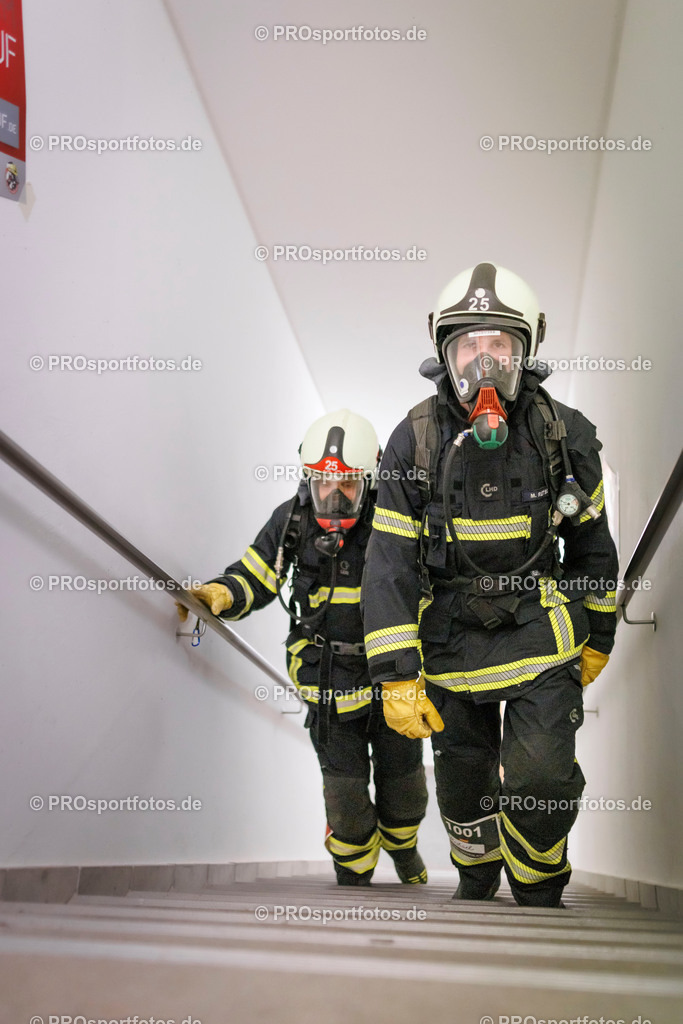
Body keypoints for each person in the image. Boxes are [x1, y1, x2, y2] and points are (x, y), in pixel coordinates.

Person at [362, 263, 619, 907]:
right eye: (468, 345)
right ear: (444, 354)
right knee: (463, 795)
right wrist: (396, 672)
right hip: (449, 644)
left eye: (497, 345)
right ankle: (477, 879)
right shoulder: (413, 439)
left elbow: (592, 546)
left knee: (538, 781)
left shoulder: (565, 435)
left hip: (542, 633)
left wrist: (601, 634)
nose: (484, 364)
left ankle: (537, 884)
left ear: (525, 350)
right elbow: (388, 559)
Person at [178, 409, 429, 886]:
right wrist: (220, 594)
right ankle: (354, 887)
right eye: (323, 485)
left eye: (348, 486)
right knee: (346, 803)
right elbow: (255, 573)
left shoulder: (394, 519)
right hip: (329, 689)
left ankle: (405, 850)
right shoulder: (292, 519)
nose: (334, 498)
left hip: (392, 683)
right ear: (307, 478)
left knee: (405, 797)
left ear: (371, 479)